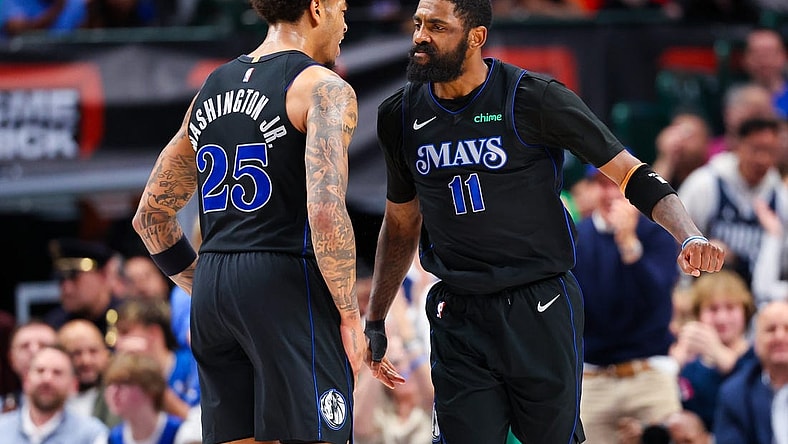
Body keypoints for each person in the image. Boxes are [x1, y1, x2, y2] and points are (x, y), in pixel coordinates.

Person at [363, 1, 725, 443]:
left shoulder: (533, 97)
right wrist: (376, 318)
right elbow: (401, 224)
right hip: (458, 308)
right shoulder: (399, 115)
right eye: (418, 24)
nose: (420, 35)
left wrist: (688, 233)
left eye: (437, 26)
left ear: (475, 37)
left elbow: (632, 173)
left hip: (539, 303)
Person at [130, 0, 400, 442]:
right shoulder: (322, 87)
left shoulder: (211, 88)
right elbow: (326, 213)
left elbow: (151, 217)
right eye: (342, 9)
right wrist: (351, 317)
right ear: (317, 7)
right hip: (284, 278)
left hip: (214, 286)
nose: (346, 25)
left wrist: (213, 285)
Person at [573, 168, 682, 443]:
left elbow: (658, 298)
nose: (610, 194)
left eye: (617, 186)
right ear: (589, 190)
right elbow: (581, 307)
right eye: (601, 185)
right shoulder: (576, 239)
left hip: (648, 371)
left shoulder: (657, 233)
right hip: (594, 375)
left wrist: (629, 245)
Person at [678, 116, 788, 288]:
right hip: (703, 294)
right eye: (756, 149)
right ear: (738, 146)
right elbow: (676, 237)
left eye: (770, 151)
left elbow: (782, 267)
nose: (762, 159)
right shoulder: (705, 183)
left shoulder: (781, 198)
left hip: (756, 297)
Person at [672, 269, 755, 431]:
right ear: (698, 314)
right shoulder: (690, 365)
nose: (721, 318)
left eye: (730, 308)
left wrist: (719, 353)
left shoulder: (757, 356)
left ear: (745, 311)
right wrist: (675, 365)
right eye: (712, 309)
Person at [713, 300, 788, 444]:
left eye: (787, 328)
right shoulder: (735, 394)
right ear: (756, 343)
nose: (780, 337)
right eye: (771, 329)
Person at [0, 345, 109, 443]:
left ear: (73, 385)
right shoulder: (2, 429)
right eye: (40, 370)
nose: (47, 379)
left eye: (57, 372)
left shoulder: (91, 435)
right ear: (26, 380)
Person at [45, 238, 125, 344]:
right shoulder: (55, 324)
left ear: (104, 275)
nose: (67, 289)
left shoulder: (128, 318)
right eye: (61, 279)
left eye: (75, 277)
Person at [103, 352, 183, 444]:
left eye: (123, 384)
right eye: (110, 384)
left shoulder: (182, 433)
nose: (114, 393)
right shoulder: (108, 439)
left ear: (151, 389)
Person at [57, 319, 121, 427]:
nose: (86, 361)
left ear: (106, 354)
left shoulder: (119, 396)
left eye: (93, 351)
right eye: (76, 353)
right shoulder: (50, 398)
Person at [3, 320, 57, 412]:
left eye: (43, 345)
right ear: (11, 358)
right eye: (25, 346)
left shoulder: (81, 410)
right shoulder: (4, 410)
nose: (34, 351)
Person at [742, 27, 788, 118]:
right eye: (758, 54)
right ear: (746, 59)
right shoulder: (734, 96)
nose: (764, 61)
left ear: (783, 56)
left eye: (770, 54)